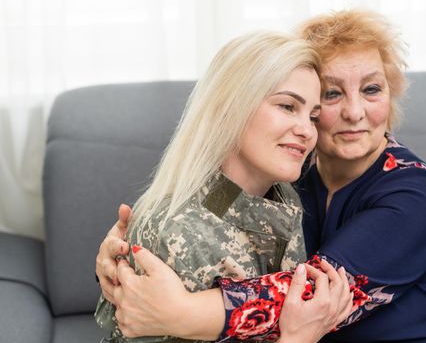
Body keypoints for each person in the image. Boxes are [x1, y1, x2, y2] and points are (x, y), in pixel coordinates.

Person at [97, 10, 426, 342]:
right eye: (331, 94)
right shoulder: (291, 171)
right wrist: (128, 251)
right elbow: (215, 208)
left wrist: (179, 314)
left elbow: (310, 297)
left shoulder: (415, 193)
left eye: (372, 90)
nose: (355, 112)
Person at [94, 31, 355, 343]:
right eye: (287, 106)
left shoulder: (283, 198)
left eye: (313, 117)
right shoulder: (181, 235)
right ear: (231, 107)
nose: (306, 131)